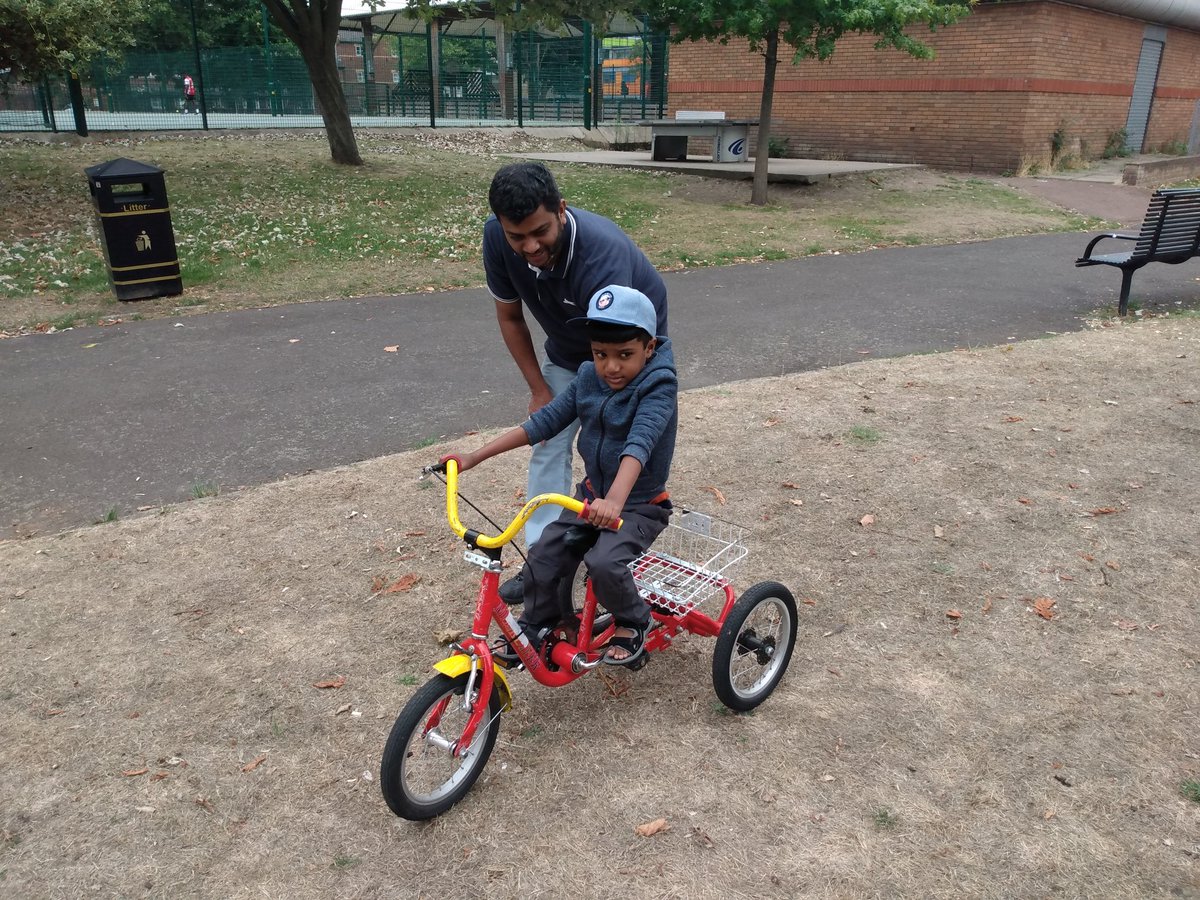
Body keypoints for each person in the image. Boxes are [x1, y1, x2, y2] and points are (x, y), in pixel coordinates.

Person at [447, 285, 677, 667]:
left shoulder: (658, 385)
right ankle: (539, 624)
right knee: (544, 554)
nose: (611, 367)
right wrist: (475, 456)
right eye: (600, 354)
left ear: (649, 348)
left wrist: (616, 501)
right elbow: (545, 422)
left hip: (637, 505)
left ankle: (634, 620)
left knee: (604, 565)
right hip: (590, 498)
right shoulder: (588, 377)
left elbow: (640, 443)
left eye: (625, 355)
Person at [483, 162, 668, 602]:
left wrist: (607, 382)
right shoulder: (497, 238)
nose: (529, 246)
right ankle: (543, 564)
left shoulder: (600, 255)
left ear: (561, 210)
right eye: (517, 236)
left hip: (623, 346)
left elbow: (613, 354)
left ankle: (621, 534)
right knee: (548, 441)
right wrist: (539, 389)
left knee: (622, 444)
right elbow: (510, 315)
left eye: (540, 232)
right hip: (569, 351)